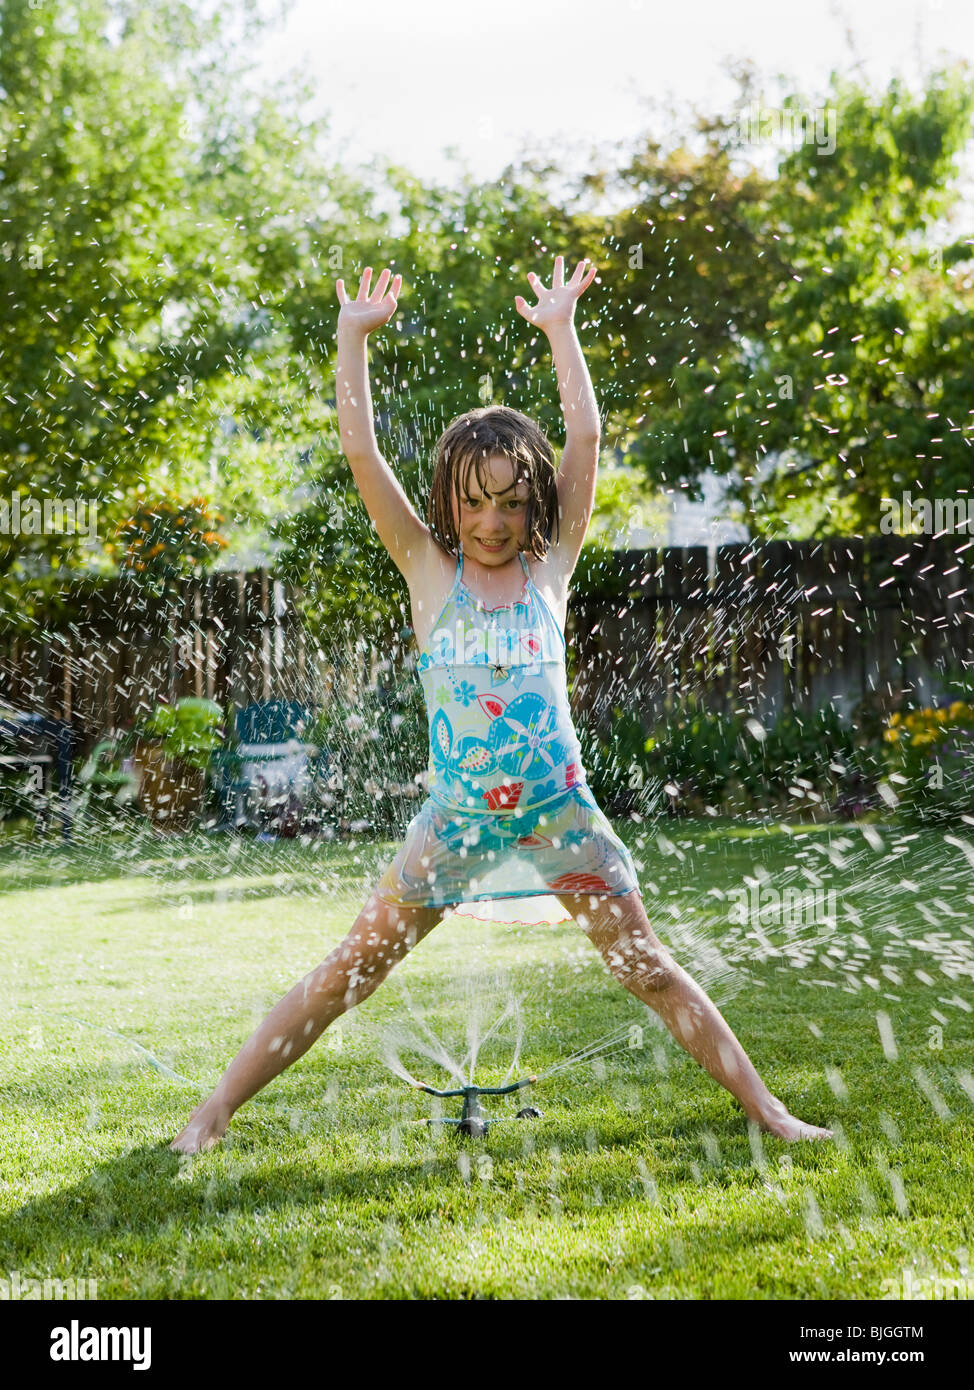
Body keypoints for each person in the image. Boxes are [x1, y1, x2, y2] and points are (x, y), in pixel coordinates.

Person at [170, 257, 833, 1154]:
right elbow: (361, 451)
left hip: (562, 815)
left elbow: (587, 442)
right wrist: (352, 337)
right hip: (456, 822)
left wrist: (562, 330)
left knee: (649, 968)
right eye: (476, 504)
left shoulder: (546, 575)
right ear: (448, 501)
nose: (493, 522)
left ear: (536, 506)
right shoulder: (427, 571)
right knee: (347, 975)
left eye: (513, 504)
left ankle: (770, 1111)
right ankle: (212, 1113)